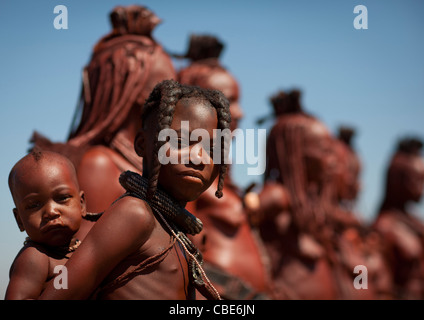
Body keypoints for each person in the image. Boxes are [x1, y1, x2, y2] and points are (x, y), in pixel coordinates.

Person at [38, 79, 231, 300]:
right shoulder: (135, 214)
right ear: (141, 145)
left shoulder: (171, 227)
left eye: (211, 148)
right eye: (180, 141)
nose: (198, 158)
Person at [32, 5, 176, 213]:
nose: (177, 96)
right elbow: (90, 243)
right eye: (167, 84)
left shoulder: (147, 163)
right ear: (132, 88)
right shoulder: (100, 165)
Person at [178, 34, 275, 299]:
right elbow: (181, 257)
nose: (241, 113)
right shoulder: (186, 182)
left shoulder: (220, 181)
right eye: (229, 101)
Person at [258, 89, 341, 299]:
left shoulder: (305, 204)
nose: (333, 161)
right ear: (295, 154)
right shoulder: (276, 197)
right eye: (324, 150)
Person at [5, 149, 96, 300]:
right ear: (19, 220)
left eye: (62, 198)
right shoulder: (35, 257)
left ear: (81, 204)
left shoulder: (86, 249)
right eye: (34, 205)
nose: (51, 212)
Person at [372, 137, 424, 299]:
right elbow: (364, 278)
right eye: (417, 179)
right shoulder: (384, 228)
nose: (421, 187)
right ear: (397, 181)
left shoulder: (415, 224)